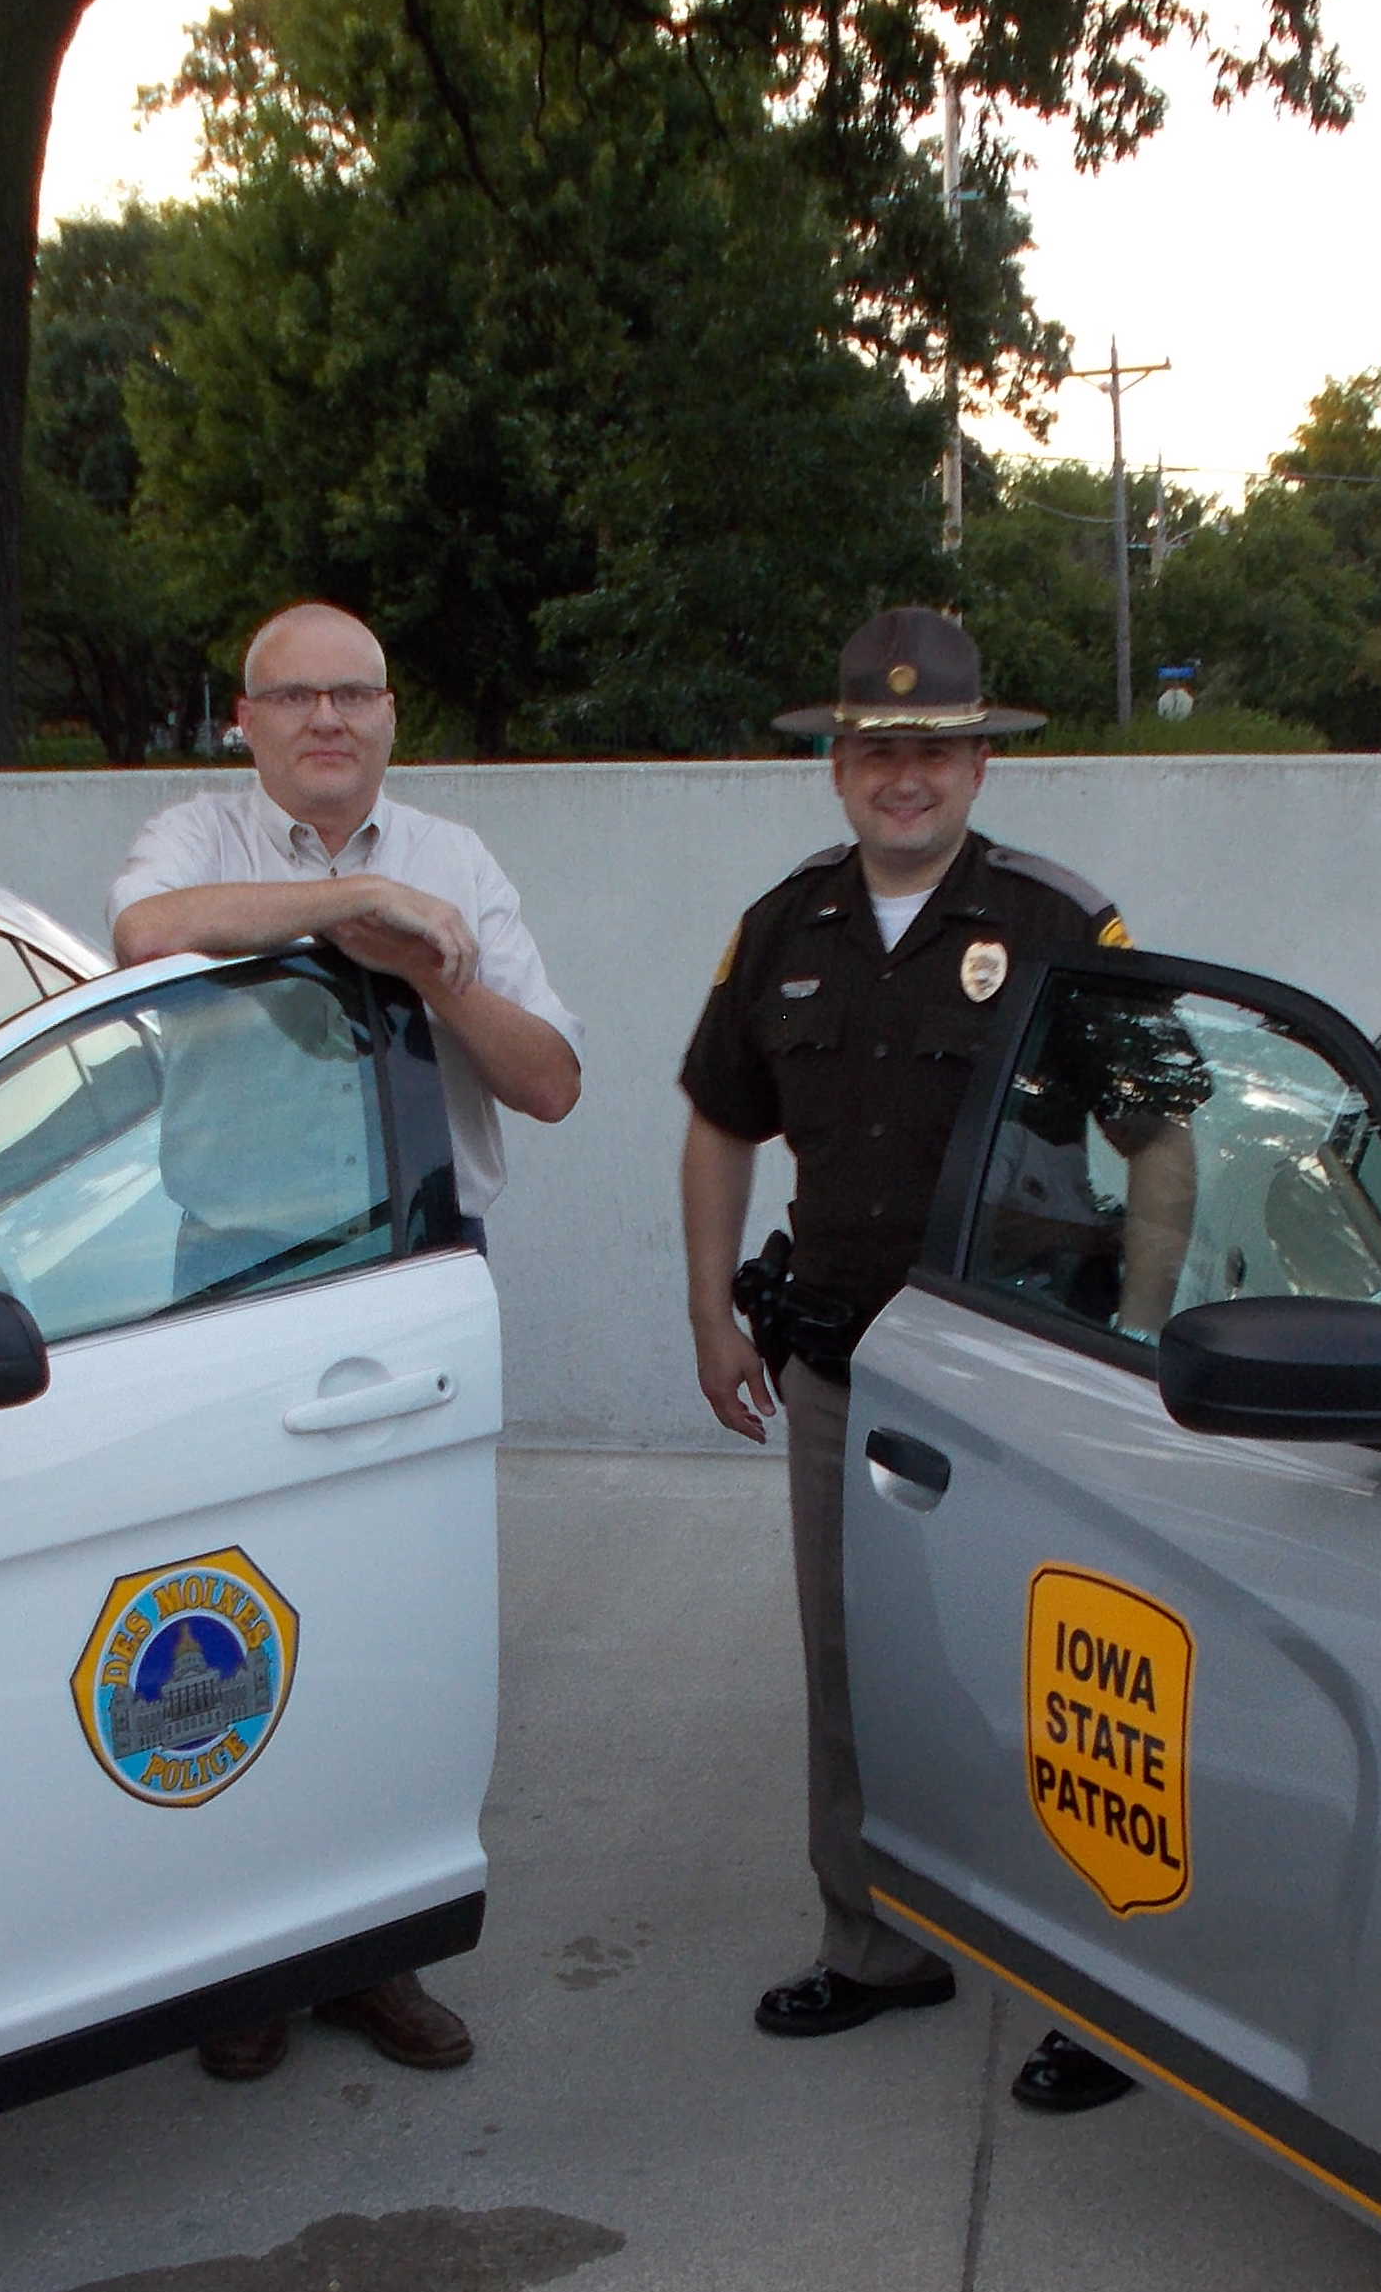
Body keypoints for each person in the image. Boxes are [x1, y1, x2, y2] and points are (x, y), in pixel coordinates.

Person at [676, 606, 1187, 2116]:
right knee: (852, 1666)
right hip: (842, 1371)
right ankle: (875, 1942)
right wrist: (709, 1313)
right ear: (838, 763)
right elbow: (720, 1122)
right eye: (877, 748)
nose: (906, 774)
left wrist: (1132, 1351)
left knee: (1064, 1686)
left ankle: (1102, 1996)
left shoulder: (1058, 923)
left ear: (981, 766)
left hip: (1026, 1388)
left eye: (936, 750)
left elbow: (1161, 1142)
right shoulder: (783, 929)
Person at [114, 600, 586, 2086]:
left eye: (355, 694)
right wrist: (349, 903)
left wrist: (439, 971)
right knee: (219, 1633)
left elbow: (552, 1081)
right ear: (243, 721)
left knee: (394, 1624)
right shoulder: (193, 839)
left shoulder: (461, 863)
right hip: (229, 1279)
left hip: (412, 1270)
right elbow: (143, 937)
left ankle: (377, 1950)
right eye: (295, 696)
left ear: (391, 716)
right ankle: (246, 1963)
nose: (328, 719)